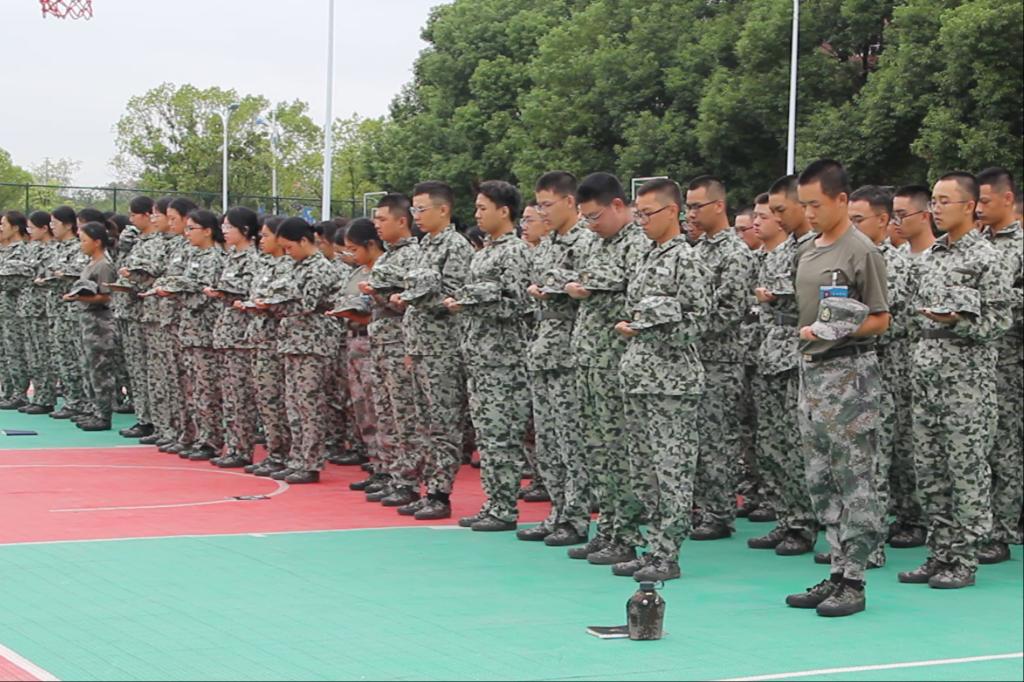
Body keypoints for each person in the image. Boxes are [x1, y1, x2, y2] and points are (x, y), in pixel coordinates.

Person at [898, 171, 1013, 589]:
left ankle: (964, 558)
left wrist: (958, 322)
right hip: (926, 378)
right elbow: (911, 313)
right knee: (930, 472)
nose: (936, 208)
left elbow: (999, 321)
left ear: (969, 206)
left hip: (966, 384)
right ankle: (940, 552)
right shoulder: (930, 257)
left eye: (945, 201)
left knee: (966, 472)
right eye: (933, 201)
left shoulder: (988, 258)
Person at [785, 159, 890, 618]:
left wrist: (836, 331)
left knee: (854, 479)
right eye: (804, 205)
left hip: (849, 375)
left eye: (816, 204)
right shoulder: (808, 250)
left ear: (842, 200)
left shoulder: (861, 251)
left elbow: (880, 319)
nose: (809, 213)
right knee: (821, 479)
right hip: (812, 374)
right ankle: (835, 568)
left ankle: (856, 579)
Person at [612, 178, 712, 581]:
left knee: (672, 468)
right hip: (639, 375)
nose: (641, 221)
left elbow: (699, 322)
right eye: (637, 214)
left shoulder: (686, 260)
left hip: (672, 380)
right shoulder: (646, 256)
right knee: (644, 469)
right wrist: (637, 327)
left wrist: (651, 328)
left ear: (673, 211)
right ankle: (652, 545)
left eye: (647, 214)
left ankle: (668, 552)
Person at [565, 172, 648, 566]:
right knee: (597, 449)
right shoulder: (596, 243)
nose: (590, 225)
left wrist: (590, 285)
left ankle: (627, 534)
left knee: (620, 451)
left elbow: (636, 294)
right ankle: (609, 528)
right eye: (585, 218)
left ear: (618, 205)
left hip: (616, 361)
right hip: (589, 360)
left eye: (595, 216)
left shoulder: (638, 244)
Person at [446, 180, 532, 532]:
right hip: (479, 357)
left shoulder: (516, 252)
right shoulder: (482, 253)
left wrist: (474, 299)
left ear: (504, 211)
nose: (477, 214)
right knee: (487, 435)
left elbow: (519, 305)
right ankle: (494, 502)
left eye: (483, 208)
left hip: (504, 359)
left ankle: (504, 506)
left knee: (502, 435)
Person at [520, 172, 596, 546]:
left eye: (547, 204)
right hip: (543, 349)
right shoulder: (547, 244)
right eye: (539, 205)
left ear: (569, 202)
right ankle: (557, 510)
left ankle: (576, 517)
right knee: (547, 440)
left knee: (571, 440)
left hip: (570, 352)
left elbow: (591, 289)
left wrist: (558, 289)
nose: (542, 212)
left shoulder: (588, 241)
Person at [391, 181, 474, 520]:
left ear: (443, 209)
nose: (416, 216)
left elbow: (455, 297)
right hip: (420, 347)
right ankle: (427, 488)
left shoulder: (456, 247)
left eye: (421, 209)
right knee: (423, 423)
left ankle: (441, 493)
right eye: (414, 209)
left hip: (443, 349)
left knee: (444, 424)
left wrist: (416, 299)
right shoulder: (424, 246)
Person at [748, 175, 819, 554]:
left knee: (798, 445)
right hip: (772, 355)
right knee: (772, 445)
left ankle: (806, 522)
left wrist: (778, 299)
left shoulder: (818, 249)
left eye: (780, 209)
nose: (775, 217)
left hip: (802, 355)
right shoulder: (783, 250)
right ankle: (788, 517)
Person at [847, 185, 917, 567]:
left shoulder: (897, 264)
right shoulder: (847, 259)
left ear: (883, 220)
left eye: (859, 220)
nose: (852, 227)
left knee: (876, 463)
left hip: (888, 375)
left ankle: (870, 546)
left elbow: (897, 323)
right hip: (853, 374)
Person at [686, 175, 756, 541]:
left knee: (717, 438)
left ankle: (719, 511)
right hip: (694, 356)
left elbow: (729, 311)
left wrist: (684, 324)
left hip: (721, 360)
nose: (690, 214)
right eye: (688, 207)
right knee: (696, 437)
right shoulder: (697, 250)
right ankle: (701, 506)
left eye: (696, 206)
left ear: (718, 206)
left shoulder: (735, 253)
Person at [261, 217, 339, 484]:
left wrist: (271, 304)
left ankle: (310, 461)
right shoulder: (296, 266)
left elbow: (305, 304)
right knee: (294, 404)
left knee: (309, 404)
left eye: (290, 247)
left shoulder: (320, 268)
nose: (287, 253)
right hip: (293, 342)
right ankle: (296, 459)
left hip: (313, 344)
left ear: (304, 241)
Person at [353, 194, 421, 502]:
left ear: (402, 221)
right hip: (380, 343)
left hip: (399, 342)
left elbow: (411, 302)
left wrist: (379, 294)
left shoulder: (413, 256)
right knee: (383, 414)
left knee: (403, 416)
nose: (377, 225)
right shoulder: (387, 257)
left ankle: (408, 480)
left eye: (382, 219)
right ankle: (392, 474)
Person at [972, 167, 1022, 565]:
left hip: (1010, 361)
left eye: (986, 201)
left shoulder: (1020, 246)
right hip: (975, 365)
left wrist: (988, 301)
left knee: (1006, 448)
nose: (979, 209)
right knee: (980, 449)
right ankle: (977, 527)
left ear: (1008, 199)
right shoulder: (975, 243)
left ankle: (1003, 530)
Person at [156, 209, 226, 461]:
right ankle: (195, 435)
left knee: (207, 389)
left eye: (191, 228)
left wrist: (178, 291)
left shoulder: (214, 258)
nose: (187, 233)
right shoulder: (191, 255)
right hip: (188, 330)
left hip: (204, 332)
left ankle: (211, 439)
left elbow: (203, 295)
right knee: (192, 388)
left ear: (207, 231)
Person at [206, 207, 262, 468]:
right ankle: (233, 445)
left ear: (245, 230)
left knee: (241, 396)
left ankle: (242, 448)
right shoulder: (231, 257)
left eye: (229, 226)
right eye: (224, 226)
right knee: (229, 395)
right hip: (226, 332)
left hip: (241, 335)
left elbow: (252, 292)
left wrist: (225, 290)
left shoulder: (253, 259)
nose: (224, 231)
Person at [240, 215, 294, 477]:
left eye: (266, 235)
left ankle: (284, 453)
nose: (261, 240)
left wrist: (265, 304)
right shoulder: (265, 265)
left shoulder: (288, 267)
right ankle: (275, 453)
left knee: (277, 399)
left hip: (277, 340)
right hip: (259, 338)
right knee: (265, 399)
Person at [330, 219, 383, 480]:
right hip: (353, 341)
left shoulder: (383, 271)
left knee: (378, 408)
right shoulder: (357, 273)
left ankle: (388, 468)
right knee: (362, 408)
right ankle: (376, 463)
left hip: (373, 342)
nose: (350, 254)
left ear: (370, 245)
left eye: (354, 249)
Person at [62, 221, 119, 431]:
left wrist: (80, 298)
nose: (81, 244)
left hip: (99, 322)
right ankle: (94, 409)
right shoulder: (91, 263)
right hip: (87, 320)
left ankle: (104, 414)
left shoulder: (104, 265)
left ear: (97, 242)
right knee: (89, 368)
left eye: (84, 240)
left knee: (100, 369)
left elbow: (107, 296)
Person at [115, 196, 157, 439]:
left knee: (146, 370)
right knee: (136, 369)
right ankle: (144, 417)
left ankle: (151, 420)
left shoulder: (156, 244)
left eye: (134, 215)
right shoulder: (137, 242)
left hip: (143, 312)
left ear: (147, 214)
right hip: (128, 311)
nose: (131, 220)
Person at [21, 210, 58, 414]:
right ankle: (38, 396)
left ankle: (46, 398)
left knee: (44, 355)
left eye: (33, 227)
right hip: (29, 307)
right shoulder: (32, 248)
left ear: (44, 228)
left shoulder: (54, 250)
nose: (30, 231)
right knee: (33, 355)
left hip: (43, 308)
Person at [0, 211, 32, 409]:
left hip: (13, 310)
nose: (0, 228)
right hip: (3, 309)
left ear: (15, 227)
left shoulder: (22, 251)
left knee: (15, 352)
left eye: (3, 224)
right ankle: (7, 391)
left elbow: (13, 281)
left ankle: (19, 393)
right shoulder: (4, 250)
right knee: (3, 353)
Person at [892, 185, 936, 259]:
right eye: (894, 216)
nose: (895, 222)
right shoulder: (895, 256)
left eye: (902, 215)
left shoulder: (944, 256)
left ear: (924, 216)